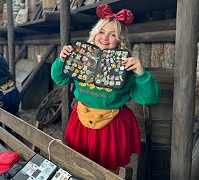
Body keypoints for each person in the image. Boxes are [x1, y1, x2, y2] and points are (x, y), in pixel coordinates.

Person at [51, 4, 161, 171]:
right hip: (81, 119)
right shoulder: (81, 57)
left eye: (113, 34)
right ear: (95, 34)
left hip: (111, 126)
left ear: (121, 40)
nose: (105, 38)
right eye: (101, 32)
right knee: (77, 165)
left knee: (106, 171)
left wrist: (141, 73)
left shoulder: (127, 67)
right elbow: (59, 79)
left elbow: (149, 98)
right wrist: (61, 60)